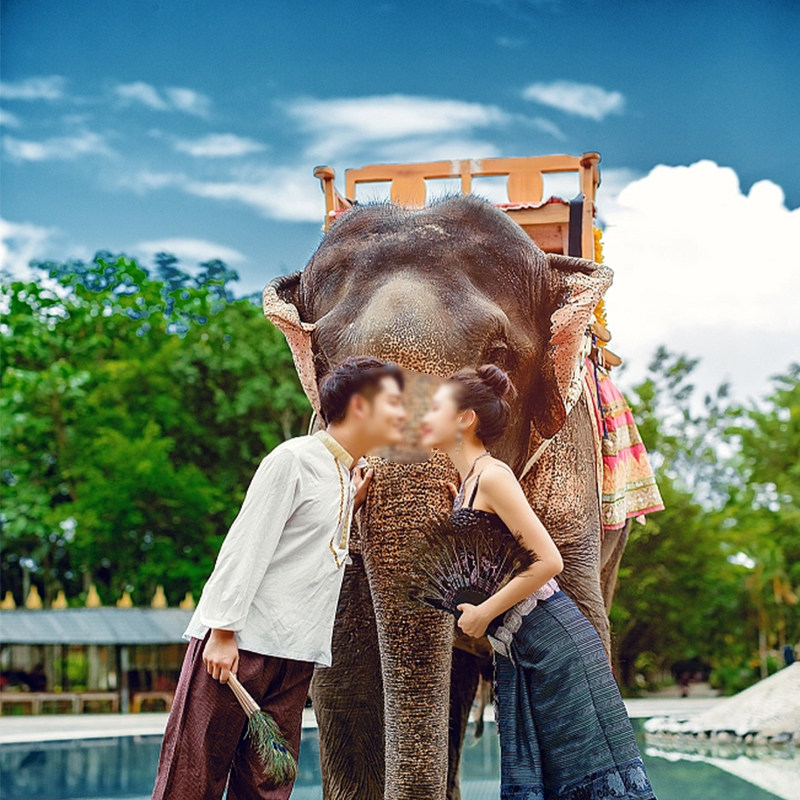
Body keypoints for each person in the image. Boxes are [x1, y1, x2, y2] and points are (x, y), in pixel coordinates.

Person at [151, 356, 406, 800]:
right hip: (238, 646)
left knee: (268, 785)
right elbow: (246, 544)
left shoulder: (342, 476)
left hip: (294, 654)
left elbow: (308, 545)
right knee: (192, 779)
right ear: (361, 406)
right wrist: (222, 631)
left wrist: (352, 503)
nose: (402, 414)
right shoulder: (293, 459)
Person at [420, 364, 657, 800]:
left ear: (465, 418)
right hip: (522, 650)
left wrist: (485, 613)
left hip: (555, 644)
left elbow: (549, 561)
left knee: (586, 779)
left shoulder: (493, 477)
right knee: (544, 781)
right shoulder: (468, 485)